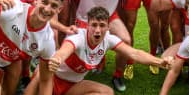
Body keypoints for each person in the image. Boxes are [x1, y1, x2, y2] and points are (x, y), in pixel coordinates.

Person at [25, 6, 172, 95]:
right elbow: (64, 51)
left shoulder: (108, 39)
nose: (97, 30)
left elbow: (134, 53)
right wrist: (57, 59)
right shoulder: (78, 38)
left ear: (108, 27)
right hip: (52, 79)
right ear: (87, 25)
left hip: (72, 85)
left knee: (107, 92)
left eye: (102, 25)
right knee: (40, 73)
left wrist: (160, 61)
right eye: (93, 25)